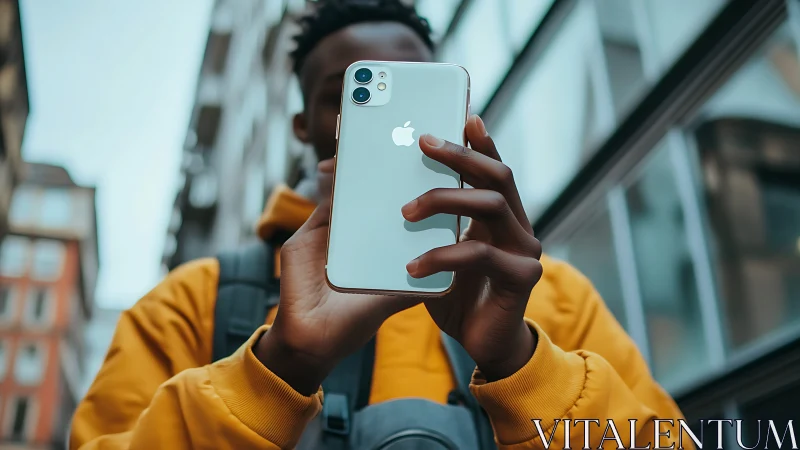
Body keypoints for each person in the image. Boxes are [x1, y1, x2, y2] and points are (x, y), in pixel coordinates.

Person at [71, 1, 692, 449]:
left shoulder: (548, 295)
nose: (369, 124)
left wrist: (520, 365)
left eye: (412, 96)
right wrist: (275, 371)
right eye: (345, 96)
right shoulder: (189, 304)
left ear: (454, 112)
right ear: (303, 127)